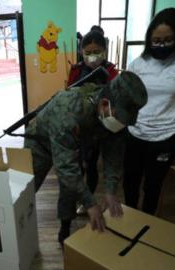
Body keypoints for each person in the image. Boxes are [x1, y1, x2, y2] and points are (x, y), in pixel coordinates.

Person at [24, 71, 147, 246]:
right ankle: (18, 229)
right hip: (40, 144)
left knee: (70, 189)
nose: (121, 124)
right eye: (120, 119)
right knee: (26, 188)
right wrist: (90, 203)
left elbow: (114, 155)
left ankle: (64, 230)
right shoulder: (68, 109)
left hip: (73, 143)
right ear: (105, 105)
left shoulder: (116, 117)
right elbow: (65, 168)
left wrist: (111, 190)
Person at [124, 8, 175, 215]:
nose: (160, 45)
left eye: (167, 40)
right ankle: (130, 220)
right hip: (135, 133)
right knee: (129, 182)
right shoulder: (138, 63)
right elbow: (127, 99)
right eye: (156, 40)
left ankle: (146, 223)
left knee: (153, 186)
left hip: (165, 136)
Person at [67, 27, 119, 215]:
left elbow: (116, 100)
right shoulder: (76, 70)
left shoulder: (111, 72)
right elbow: (68, 96)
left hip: (103, 128)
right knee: (79, 164)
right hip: (80, 128)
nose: (92, 57)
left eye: (96, 52)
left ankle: (90, 198)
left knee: (95, 165)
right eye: (87, 53)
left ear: (104, 51)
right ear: (81, 52)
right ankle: (80, 199)